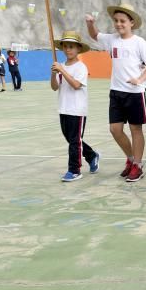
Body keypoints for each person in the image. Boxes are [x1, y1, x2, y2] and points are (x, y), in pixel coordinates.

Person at [86, 3, 146, 183]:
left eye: (123, 21)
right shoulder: (111, 39)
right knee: (115, 129)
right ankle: (131, 158)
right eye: (116, 21)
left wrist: (139, 80)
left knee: (135, 129)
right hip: (116, 92)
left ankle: (138, 165)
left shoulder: (139, 42)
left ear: (131, 22)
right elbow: (94, 35)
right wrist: (90, 23)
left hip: (135, 93)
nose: (119, 24)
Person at [50, 31, 100, 182]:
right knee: (72, 138)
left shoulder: (80, 67)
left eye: (71, 47)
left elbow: (76, 85)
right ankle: (91, 155)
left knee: (74, 141)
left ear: (78, 49)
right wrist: (54, 73)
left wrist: (62, 71)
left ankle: (74, 170)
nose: (68, 50)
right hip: (63, 108)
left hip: (77, 110)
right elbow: (54, 87)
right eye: (65, 46)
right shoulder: (61, 67)